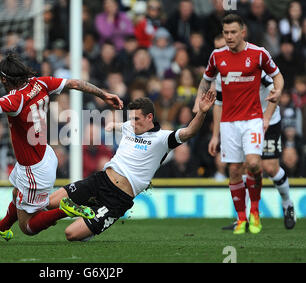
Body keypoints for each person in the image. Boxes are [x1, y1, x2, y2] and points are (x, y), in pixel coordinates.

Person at [0, 51, 124, 240]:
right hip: (45, 154)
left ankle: (65, 209)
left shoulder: (15, 100)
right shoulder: (41, 83)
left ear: (3, 79)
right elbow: (75, 83)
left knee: (27, 227)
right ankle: (2, 227)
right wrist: (103, 94)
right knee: (16, 193)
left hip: (33, 168)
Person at [45, 94, 215, 241]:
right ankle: (81, 210)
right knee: (50, 202)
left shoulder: (163, 139)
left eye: (136, 119)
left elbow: (189, 131)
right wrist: (113, 126)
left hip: (117, 199)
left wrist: (202, 111)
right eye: (131, 118)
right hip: (101, 180)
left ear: (149, 117)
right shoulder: (129, 127)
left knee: (71, 234)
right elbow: (123, 126)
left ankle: (88, 217)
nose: (132, 123)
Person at [198, 14, 284, 235]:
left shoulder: (258, 53)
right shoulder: (217, 56)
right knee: (235, 170)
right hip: (228, 122)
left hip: (253, 119)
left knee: (254, 164)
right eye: (226, 32)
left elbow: (278, 76)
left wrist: (278, 91)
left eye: (233, 32)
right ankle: (242, 218)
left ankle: (255, 212)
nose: (229, 36)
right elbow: (206, 81)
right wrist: (200, 104)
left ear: (242, 32)